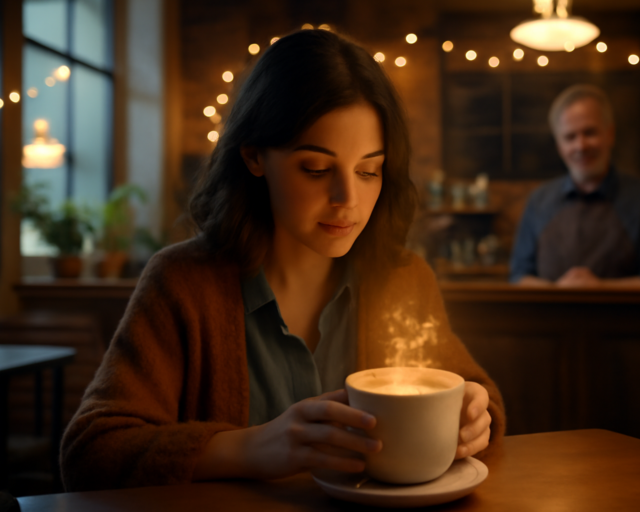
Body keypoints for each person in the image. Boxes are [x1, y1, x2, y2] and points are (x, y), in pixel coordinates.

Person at [61, 29, 505, 491]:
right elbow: (90, 453)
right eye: (316, 168)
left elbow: (478, 396)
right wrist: (255, 447)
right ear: (254, 156)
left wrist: (475, 414)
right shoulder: (183, 283)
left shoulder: (403, 279)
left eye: (369, 170)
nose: (347, 199)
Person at [509, 84, 640, 287]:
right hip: (551, 318)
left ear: (610, 134)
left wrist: (600, 289)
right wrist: (560, 292)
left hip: (624, 319)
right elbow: (519, 275)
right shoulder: (539, 200)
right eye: (570, 137)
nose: (581, 145)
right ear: (559, 146)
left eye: (590, 133)